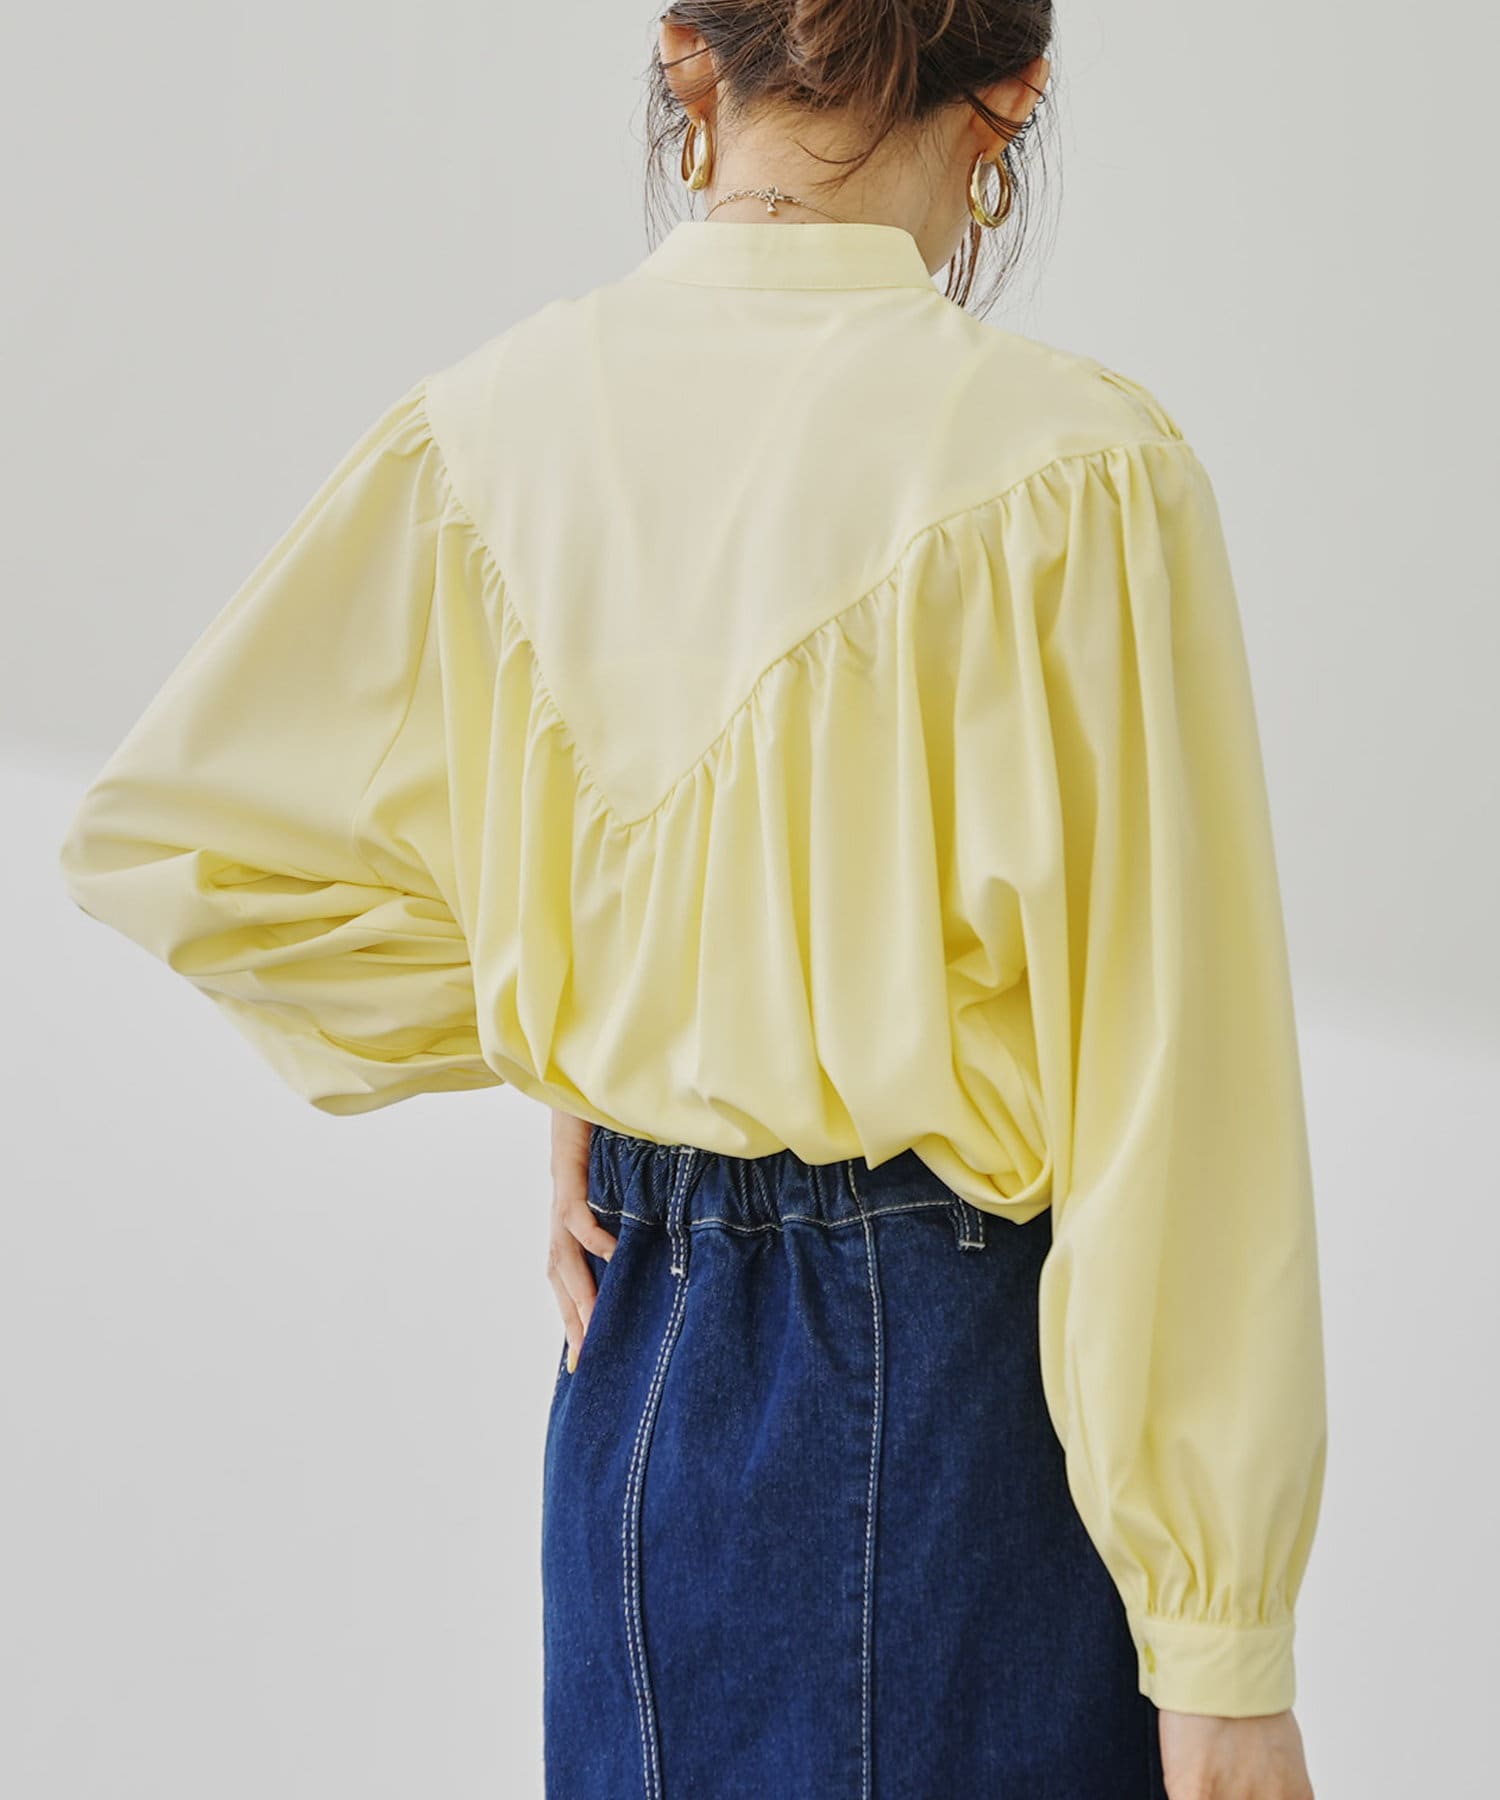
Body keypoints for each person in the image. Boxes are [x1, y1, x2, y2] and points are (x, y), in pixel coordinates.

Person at [57, 2, 1328, 1795]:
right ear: (1010, 96)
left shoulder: (490, 433)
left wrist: (612, 1018)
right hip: (936, 1378)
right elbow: (1171, 1090)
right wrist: (1222, 1653)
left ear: (684, 58)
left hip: (633, 1367)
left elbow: (184, 847)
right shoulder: (1079, 471)